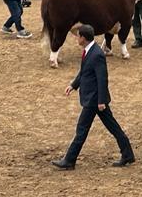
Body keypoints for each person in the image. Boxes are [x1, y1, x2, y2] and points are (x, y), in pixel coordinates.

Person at [51, 24, 135, 170]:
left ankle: (69, 160)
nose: (76, 38)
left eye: (78, 36)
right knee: (113, 127)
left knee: (82, 130)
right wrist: (73, 85)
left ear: (83, 38)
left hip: (94, 100)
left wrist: (101, 101)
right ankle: (128, 154)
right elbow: (84, 71)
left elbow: (102, 79)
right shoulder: (90, 51)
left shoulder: (96, 54)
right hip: (94, 99)